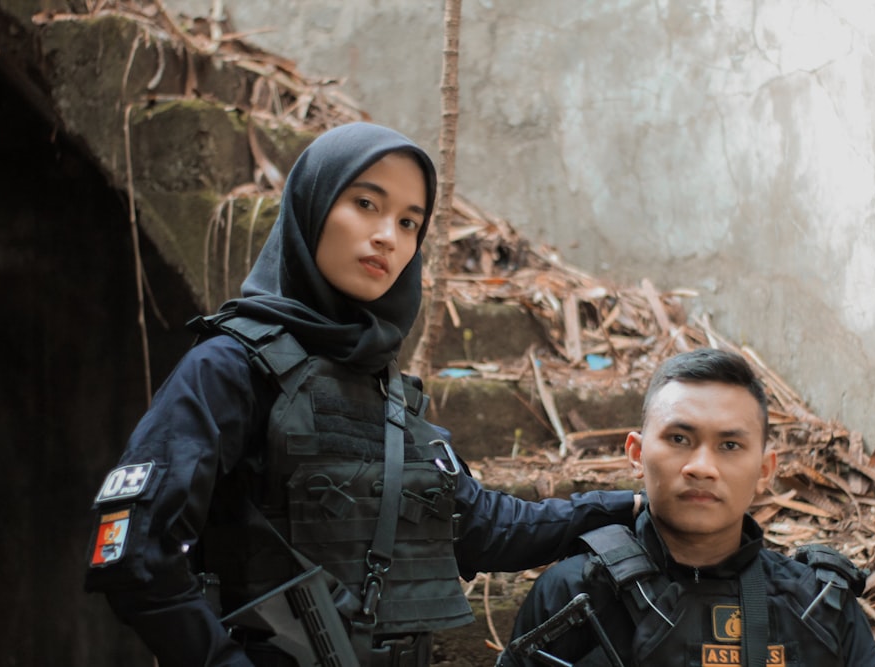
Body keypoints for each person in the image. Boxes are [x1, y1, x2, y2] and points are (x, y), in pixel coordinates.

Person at [84, 122, 641, 667]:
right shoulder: (230, 366)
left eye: (408, 222)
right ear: (313, 205)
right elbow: (134, 554)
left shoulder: (389, 391)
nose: (387, 237)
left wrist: (632, 505)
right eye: (366, 204)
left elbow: (480, 530)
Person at [497, 348, 875, 667]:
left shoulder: (819, 604)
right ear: (636, 454)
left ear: (765, 470)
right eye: (680, 438)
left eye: (730, 445)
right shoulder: (578, 594)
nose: (701, 466)